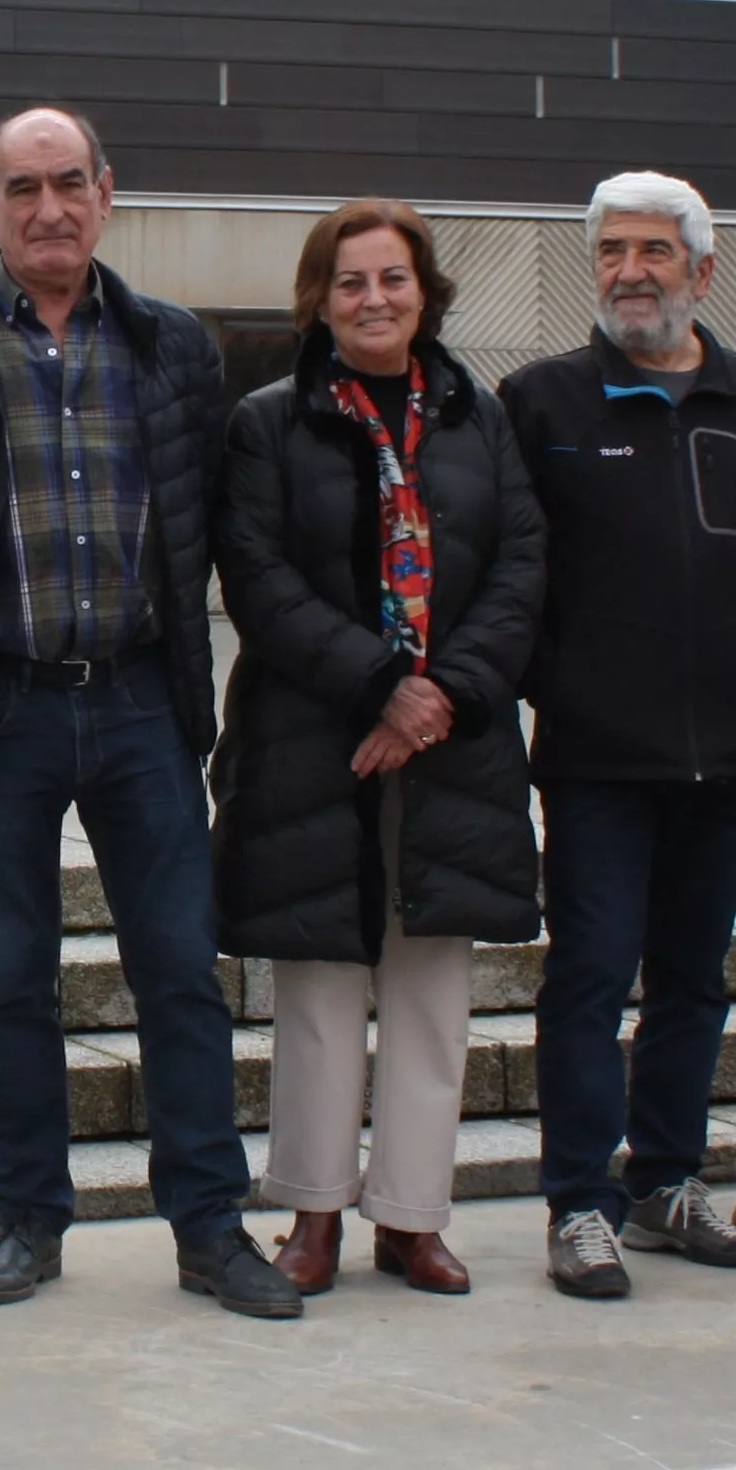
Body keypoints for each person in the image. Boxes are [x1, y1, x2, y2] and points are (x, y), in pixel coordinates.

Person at [0, 107, 302, 1320]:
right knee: (10, 979)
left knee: (182, 975)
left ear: (106, 193)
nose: (47, 208)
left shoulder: (174, 345)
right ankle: (28, 1220)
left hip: (143, 705)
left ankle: (209, 1228)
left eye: (67, 183)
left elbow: (209, 522)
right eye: (22, 187)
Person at [499, 172, 736, 1300]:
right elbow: (511, 571)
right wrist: (561, 684)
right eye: (612, 251)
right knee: (590, 979)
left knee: (694, 982)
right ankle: (579, 1203)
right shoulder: (542, 403)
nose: (631, 272)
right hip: (599, 757)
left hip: (732, 752)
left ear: (703, 268)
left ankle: (665, 1183)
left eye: (654, 251)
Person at [211, 200, 544, 1298]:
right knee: (317, 985)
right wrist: (378, 686)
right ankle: (312, 1215)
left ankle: (411, 1218)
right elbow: (258, 577)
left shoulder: (479, 417)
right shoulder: (268, 422)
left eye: (392, 278)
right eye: (349, 281)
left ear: (425, 292)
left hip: (452, 747)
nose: (373, 300)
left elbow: (521, 567)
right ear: (319, 299)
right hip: (315, 741)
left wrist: (441, 696)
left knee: (432, 987)